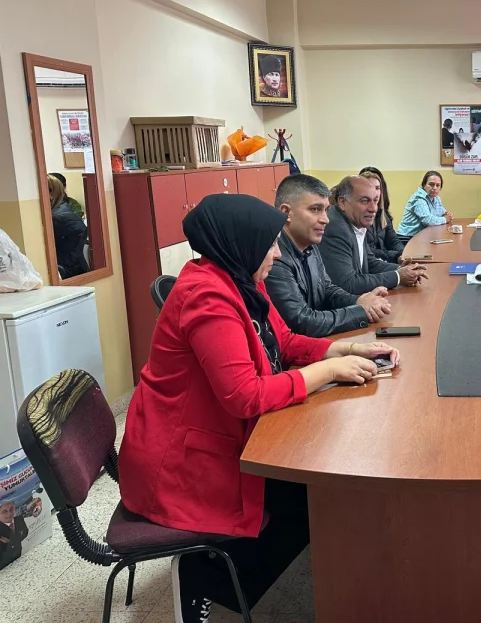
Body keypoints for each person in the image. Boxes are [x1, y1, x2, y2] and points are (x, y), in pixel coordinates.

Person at [118, 193, 399, 623]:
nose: (276, 253)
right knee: (310, 498)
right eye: (269, 245)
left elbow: (283, 341)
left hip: (213, 431)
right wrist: (328, 371)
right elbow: (244, 395)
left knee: (314, 495)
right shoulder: (206, 297)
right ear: (241, 242)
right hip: (178, 458)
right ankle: (202, 577)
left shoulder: (243, 279)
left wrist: (346, 348)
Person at [265, 175, 392, 338]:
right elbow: (301, 322)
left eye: (326, 210)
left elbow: (327, 289)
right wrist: (360, 311)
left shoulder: (310, 244)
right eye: (315, 209)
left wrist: (359, 300)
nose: (325, 219)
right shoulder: (274, 258)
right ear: (286, 212)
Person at [319, 176, 429, 295]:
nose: (373, 209)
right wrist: (398, 277)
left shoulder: (355, 221)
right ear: (342, 202)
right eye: (364, 201)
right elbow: (348, 284)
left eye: (375, 201)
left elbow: (369, 261)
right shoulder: (335, 228)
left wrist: (401, 269)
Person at [359, 167, 406, 263]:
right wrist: (395, 256)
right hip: (374, 263)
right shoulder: (358, 215)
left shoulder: (382, 214)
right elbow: (367, 251)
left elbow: (393, 240)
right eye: (370, 187)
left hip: (384, 261)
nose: (374, 192)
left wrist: (403, 254)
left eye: (377, 188)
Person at [47, 174, 89, 279]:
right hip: (76, 265)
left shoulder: (56, 217)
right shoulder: (63, 208)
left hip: (67, 269)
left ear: (50, 193)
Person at [397, 171, 454, 237]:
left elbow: (442, 213)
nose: (434, 188)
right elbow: (427, 220)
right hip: (407, 237)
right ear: (424, 185)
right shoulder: (419, 198)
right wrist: (445, 219)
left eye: (438, 185)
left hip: (422, 236)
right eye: (431, 184)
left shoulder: (436, 198)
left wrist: (447, 214)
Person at [0, 498, 40, 570]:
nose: (9, 513)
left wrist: (11, 541)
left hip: (20, 556)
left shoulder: (19, 519)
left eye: (11, 509)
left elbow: (25, 532)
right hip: (5, 565)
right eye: (4, 511)